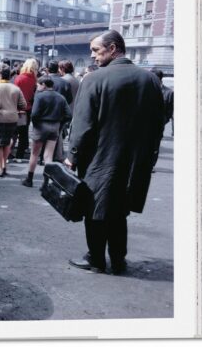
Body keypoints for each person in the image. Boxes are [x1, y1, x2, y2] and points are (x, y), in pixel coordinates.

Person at [65, 30, 164, 275]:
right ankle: (118, 260)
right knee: (119, 210)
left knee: (95, 209)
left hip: (100, 159)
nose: (92, 56)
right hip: (134, 161)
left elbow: (82, 124)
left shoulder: (95, 79)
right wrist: (150, 156)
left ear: (113, 49)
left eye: (96, 50)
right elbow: (158, 124)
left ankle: (96, 259)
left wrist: (72, 155)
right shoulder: (150, 80)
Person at [21, 76, 71, 188]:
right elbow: (69, 115)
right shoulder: (61, 97)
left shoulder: (40, 96)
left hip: (41, 126)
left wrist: (36, 124)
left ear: (43, 84)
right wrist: (60, 124)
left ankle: (29, 179)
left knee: (34, 153)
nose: (37, 87)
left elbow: (34, 114)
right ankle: (46, 182)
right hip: (55, 127)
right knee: (48, 156)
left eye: (38, 85)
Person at [12, 58, 38, 162]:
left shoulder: (18, 78)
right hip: (28, 109)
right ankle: (20, 154)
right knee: (24, 132)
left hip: (16, 107)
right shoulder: (35, 80)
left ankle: (9, 152)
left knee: (13, 132)